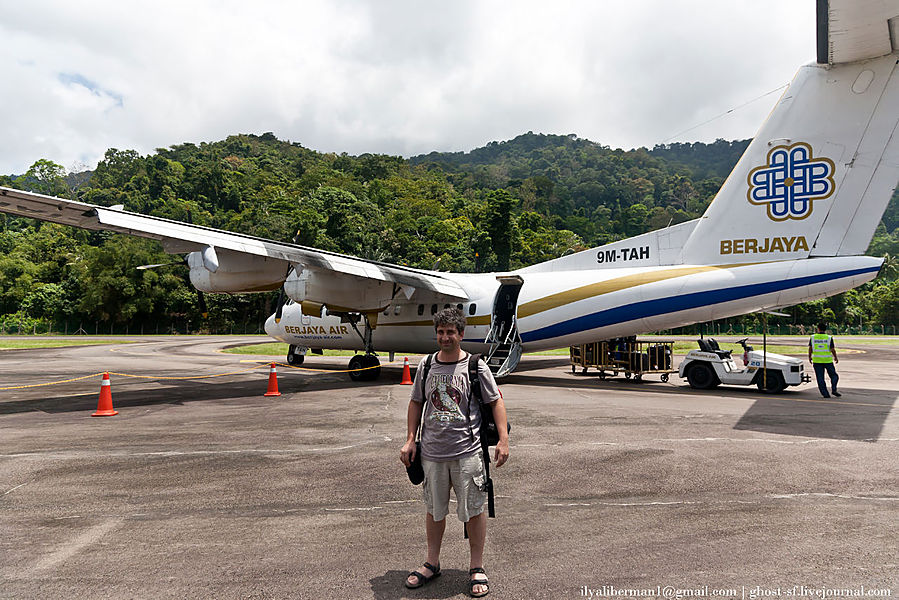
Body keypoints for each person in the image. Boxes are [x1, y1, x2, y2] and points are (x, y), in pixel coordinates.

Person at [400, 307, 509, 598]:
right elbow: (416, 403)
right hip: (432, 454)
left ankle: (476, 567)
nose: (445, 337)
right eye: (440, 332)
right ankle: (432, 563)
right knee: (434, 510)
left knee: (473, 510)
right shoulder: (426, 366)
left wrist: (503, 439)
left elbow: (496, 401)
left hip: (468, 452)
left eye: (450, 332)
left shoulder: (476, 366)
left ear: (460, 334)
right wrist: (411, 439)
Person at [808, 322, 840, 398]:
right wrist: (835, 357)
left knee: (820, 378)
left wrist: (809, 357)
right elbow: (832, 349)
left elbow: (810, 348)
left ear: (818, 329)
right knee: (834, 376)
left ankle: (825, 394)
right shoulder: (829, 338)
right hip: (827, 360)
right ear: (825, 329)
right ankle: (834, 389)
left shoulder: (813, 337)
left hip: (817, 361)